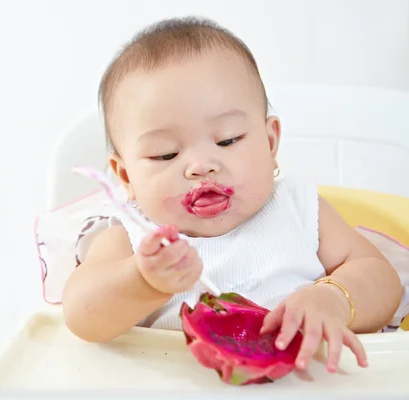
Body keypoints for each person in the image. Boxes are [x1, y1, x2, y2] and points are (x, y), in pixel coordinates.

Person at [61, 16, 403, 374]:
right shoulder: (132, 237)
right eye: (166, 154)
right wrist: (143, 281)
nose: (201, 166)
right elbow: (80, 316)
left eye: (227, 139)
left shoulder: (298, 209)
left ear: (270, 144)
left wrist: (334, 298)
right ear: (127, 176)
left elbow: (381, 278)